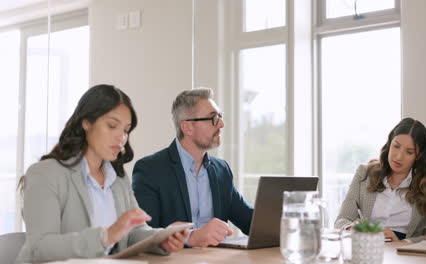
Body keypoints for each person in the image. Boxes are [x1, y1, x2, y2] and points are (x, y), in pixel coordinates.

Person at [16, 85, 188, 263]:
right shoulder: (45, 173)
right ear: (86, 123)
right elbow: (40, 247)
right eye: (112, 125)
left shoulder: (118, 178)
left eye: (125, 130)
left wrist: (161, 239)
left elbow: (134, 233)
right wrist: (105, 236)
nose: (121, 137)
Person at [132, 87, 253, 248]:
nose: (221, 124)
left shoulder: (221, 170)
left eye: (220, 117)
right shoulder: (150, 170)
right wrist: (192, 237)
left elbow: (250, 221)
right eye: (213, 118)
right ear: (187, 127)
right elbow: (143, 235)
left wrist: (288, 216)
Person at [335, 117, 426, 242]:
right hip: (367, 248)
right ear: (389, 143)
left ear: (419, 156)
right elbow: (342, 219)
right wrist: (352, 228)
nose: (399, 157)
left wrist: (403, 243)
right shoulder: (364, 173)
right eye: (396, 146)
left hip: (406, 254)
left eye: (409, 152)